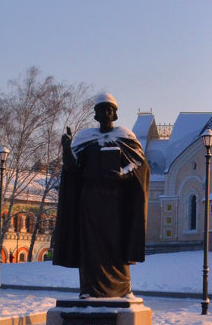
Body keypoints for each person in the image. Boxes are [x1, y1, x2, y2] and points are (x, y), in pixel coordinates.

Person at [53, 93, 149, 299]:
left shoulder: (125, 137)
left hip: (116, 202)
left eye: (109, 109)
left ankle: (123, 289)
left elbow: (140, 166)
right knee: (90, 243)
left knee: (116, 241)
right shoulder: (85, 138)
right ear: (95, 115)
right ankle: (88, 289)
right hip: (91, 200)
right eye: (101, 110)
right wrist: (66, 147)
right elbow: (72, 169)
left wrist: (123, 175)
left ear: (115, 113)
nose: (105, 113)